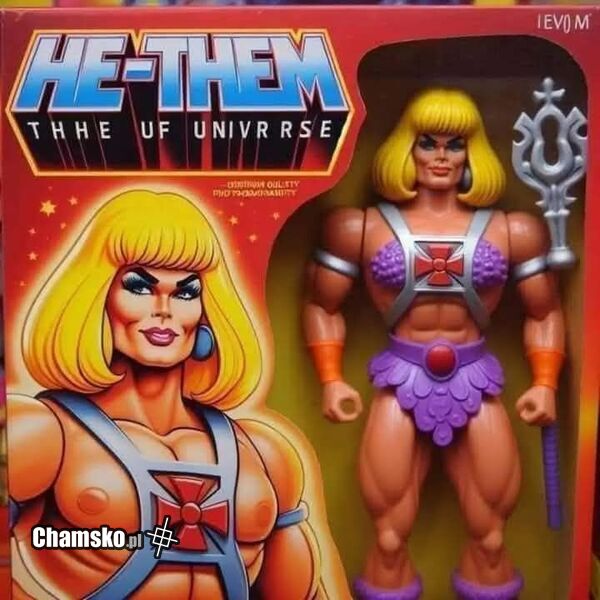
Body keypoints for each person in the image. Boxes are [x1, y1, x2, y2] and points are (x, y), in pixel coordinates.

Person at [303, 88, 565, 600]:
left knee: (492, 538)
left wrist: (546, 383)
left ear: (472, 152)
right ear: (407, 147)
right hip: (401, 380)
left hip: (475, 379)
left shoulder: (513, 230)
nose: (441, 156)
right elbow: (321, 306)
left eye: (455, 143)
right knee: (388, 537)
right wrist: (330, 380)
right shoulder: (361, 227)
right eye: (428, 142)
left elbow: (545, 312)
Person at [9, 189, 330, 600]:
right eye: (139, 287)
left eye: (185, 292)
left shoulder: (265, 452)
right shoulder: (43, 434)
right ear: (97, 297)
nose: (164, 309)